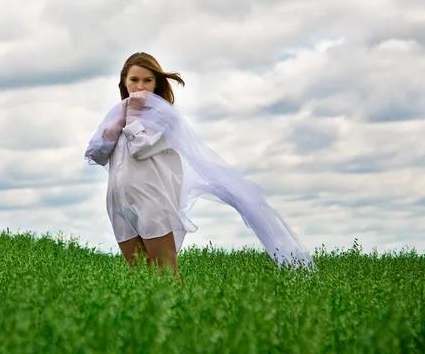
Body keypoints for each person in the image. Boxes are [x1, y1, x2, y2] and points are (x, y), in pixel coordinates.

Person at [85, 52, 312, 275]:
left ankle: (178, 313)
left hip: (153, 200)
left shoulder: (164, 116)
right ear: (124, 82)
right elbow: (95, 153)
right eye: (134, 80)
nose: (140, 87)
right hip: (119, 202)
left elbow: (140, 149)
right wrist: (117, 123)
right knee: (139, 276)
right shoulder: (116, 112)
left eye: (147, 80)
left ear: (156, 84)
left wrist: (133, 114)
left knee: (165, 274)